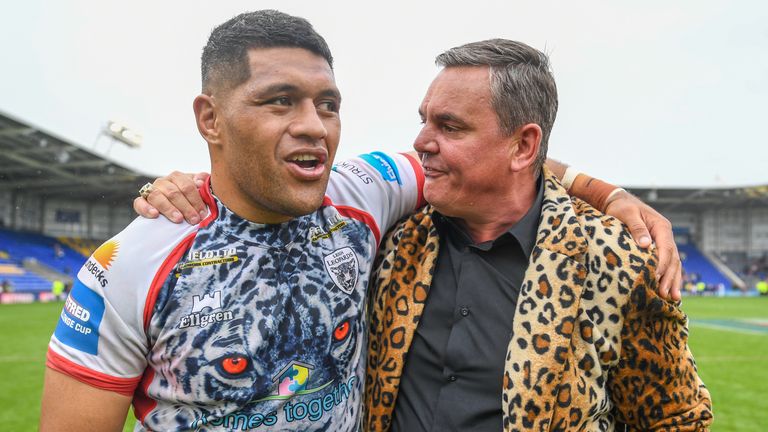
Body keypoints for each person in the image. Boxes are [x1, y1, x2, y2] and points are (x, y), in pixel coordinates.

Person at [41, 10, 426, 431]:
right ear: (211, 120)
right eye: (280, 100)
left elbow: (461, 162)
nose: (315, 126)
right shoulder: (129, 262)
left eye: (328, 105)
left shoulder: (364, 194)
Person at [365, 40, 712, 431]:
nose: (421, 142)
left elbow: (675, 417)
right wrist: (605, 191)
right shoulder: (392, 235)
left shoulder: (613, 258)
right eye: (424, 120)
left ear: (524, 146)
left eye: (450, 126)